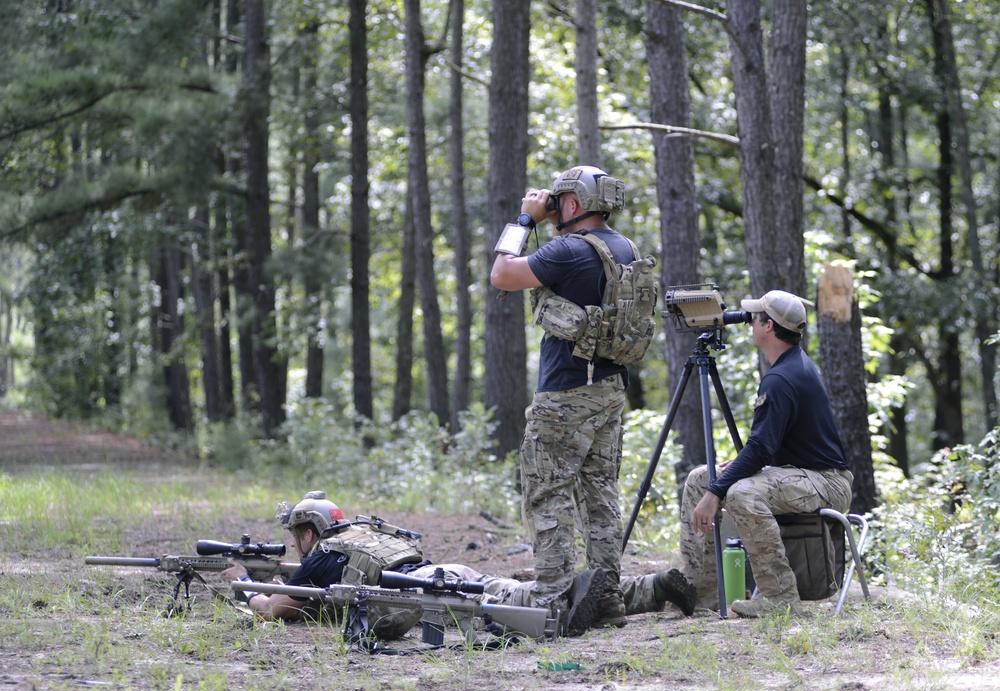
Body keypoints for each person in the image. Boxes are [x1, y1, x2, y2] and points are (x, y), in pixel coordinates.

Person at [222, 492, 696, 639]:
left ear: (308, 532)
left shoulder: (320, 555)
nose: (296, 546)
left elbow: (276, 608)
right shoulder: (358, 536)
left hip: (423, 593)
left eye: (295, 538)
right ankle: (650, 587)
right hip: (438, 572)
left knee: (536, 604)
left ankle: (578, 597)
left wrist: (243, 582)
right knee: (512, 589)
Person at [489, 165, 639, 629]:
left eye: (558, 200)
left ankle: (552, 601)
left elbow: (501, 274)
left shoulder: (570, 250)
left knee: (547, 492)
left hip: (565, 394)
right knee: (600, 495)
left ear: (572, 204)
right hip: (610, 389)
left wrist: (525, 219)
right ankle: (607, 596)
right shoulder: (625, 249)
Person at [676, 290, 854, 618]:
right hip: (799, 473)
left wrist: (719, 491)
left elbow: (759, 450)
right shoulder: (788, 368)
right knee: (700, 478)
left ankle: (779, 597)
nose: (749, 321)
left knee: (742, 493)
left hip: (827, 482)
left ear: (768, 326)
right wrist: (719, 480)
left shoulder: (782, 378)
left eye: (755, 316)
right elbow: (766, 446)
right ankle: (699, 593)